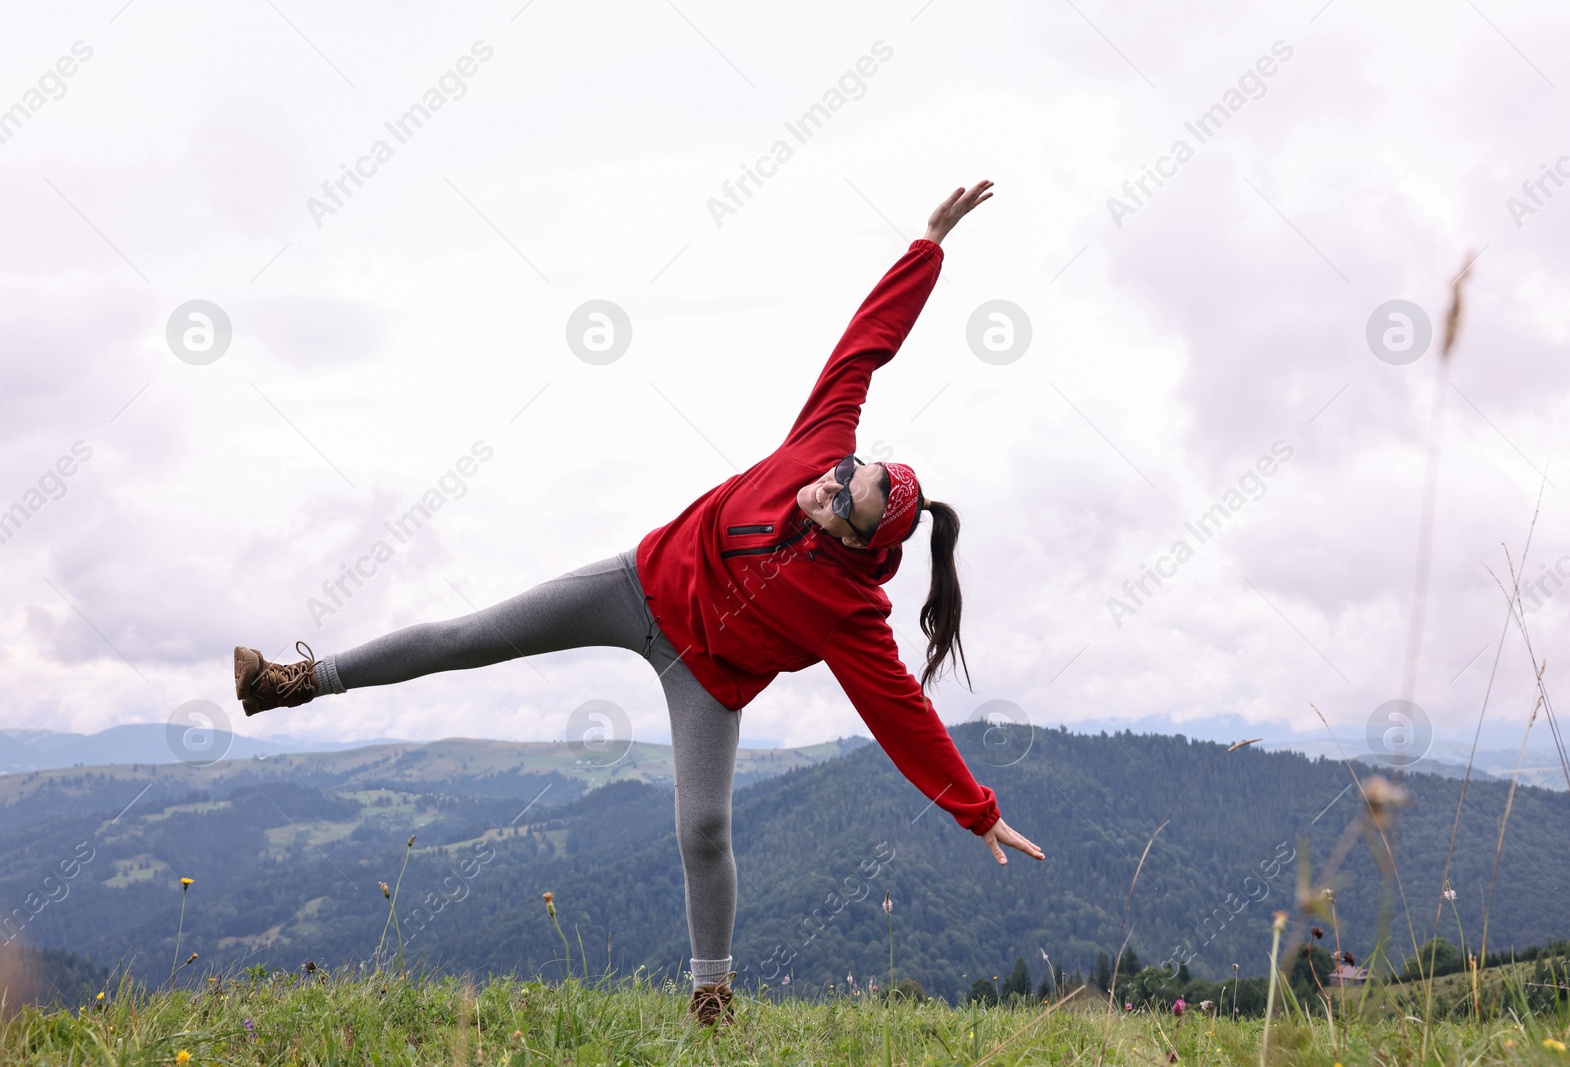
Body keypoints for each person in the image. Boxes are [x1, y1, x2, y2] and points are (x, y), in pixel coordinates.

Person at [233, 179, 1044, 1027]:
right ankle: (293, 680)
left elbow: (899, 711)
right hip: (638, 584)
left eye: (848, 504)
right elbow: (863, 348)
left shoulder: (850, 613)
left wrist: (976, 811)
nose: (830, 488)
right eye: (848, 474)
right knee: (472, 634)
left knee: (703, 830)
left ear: (859, 543)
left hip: (708, 676)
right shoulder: (822, 441)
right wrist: (930, 244)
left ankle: (711, 998)